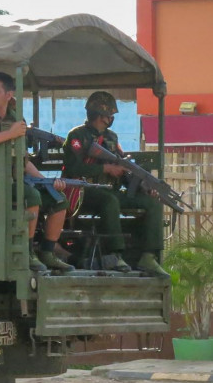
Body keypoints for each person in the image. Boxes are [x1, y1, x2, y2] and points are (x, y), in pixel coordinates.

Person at [0, 72, 73, 272]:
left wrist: (47, 181)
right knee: (30, 195)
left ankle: (47, 252)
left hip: (10, 180)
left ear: (9, 94)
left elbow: (23, 160)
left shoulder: (15, 118)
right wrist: (9, 134)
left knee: (58, 199)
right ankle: (26, 253)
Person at [61, 91, 168, 276]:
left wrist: (143, 186)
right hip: (84, 193)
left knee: (151, 202)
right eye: (109, 115)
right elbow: (73, 168)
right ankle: (115, 254)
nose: (111, 119)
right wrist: (105, 170)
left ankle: (149, 256)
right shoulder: (77, 136)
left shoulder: (112, 138)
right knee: (110, 200)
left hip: (111, 191)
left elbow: (122, 167)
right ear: (100, 116)